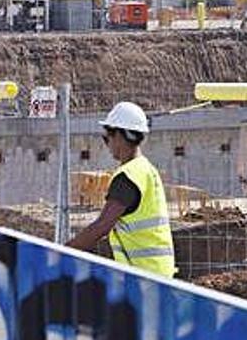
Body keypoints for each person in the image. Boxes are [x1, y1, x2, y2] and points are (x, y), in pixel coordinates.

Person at [67, 102, 176, 277]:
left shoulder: (127, 178)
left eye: (106, 137)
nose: (107, 144)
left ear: (119, 135)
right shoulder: (146, 169)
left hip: (144, 276)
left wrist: (60, 253)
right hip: (157, 272)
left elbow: (101, 227)